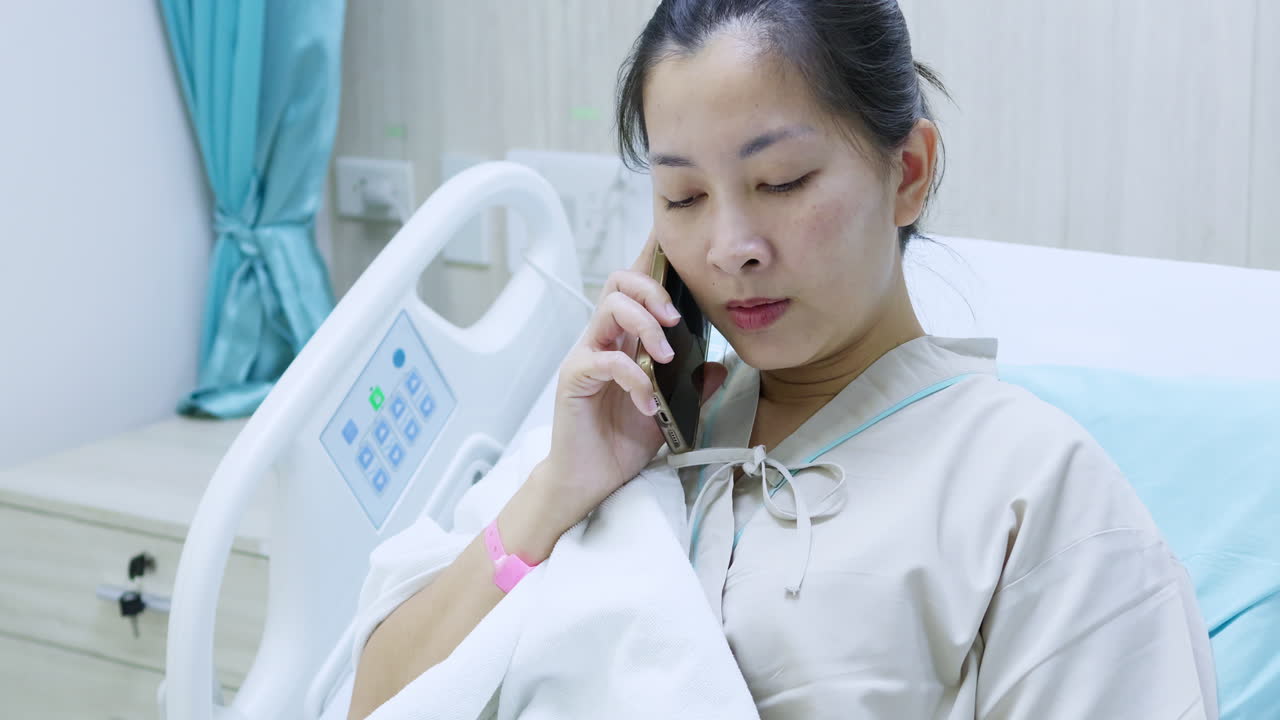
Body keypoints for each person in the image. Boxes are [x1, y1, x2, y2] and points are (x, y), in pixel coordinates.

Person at [349, 1, 1217, 717]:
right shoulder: (623, 433)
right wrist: (555, 495)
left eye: (783, 182)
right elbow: (376, 701)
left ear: (908, 173)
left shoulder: (1033, 490)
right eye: (682, 197)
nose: (730, 247)